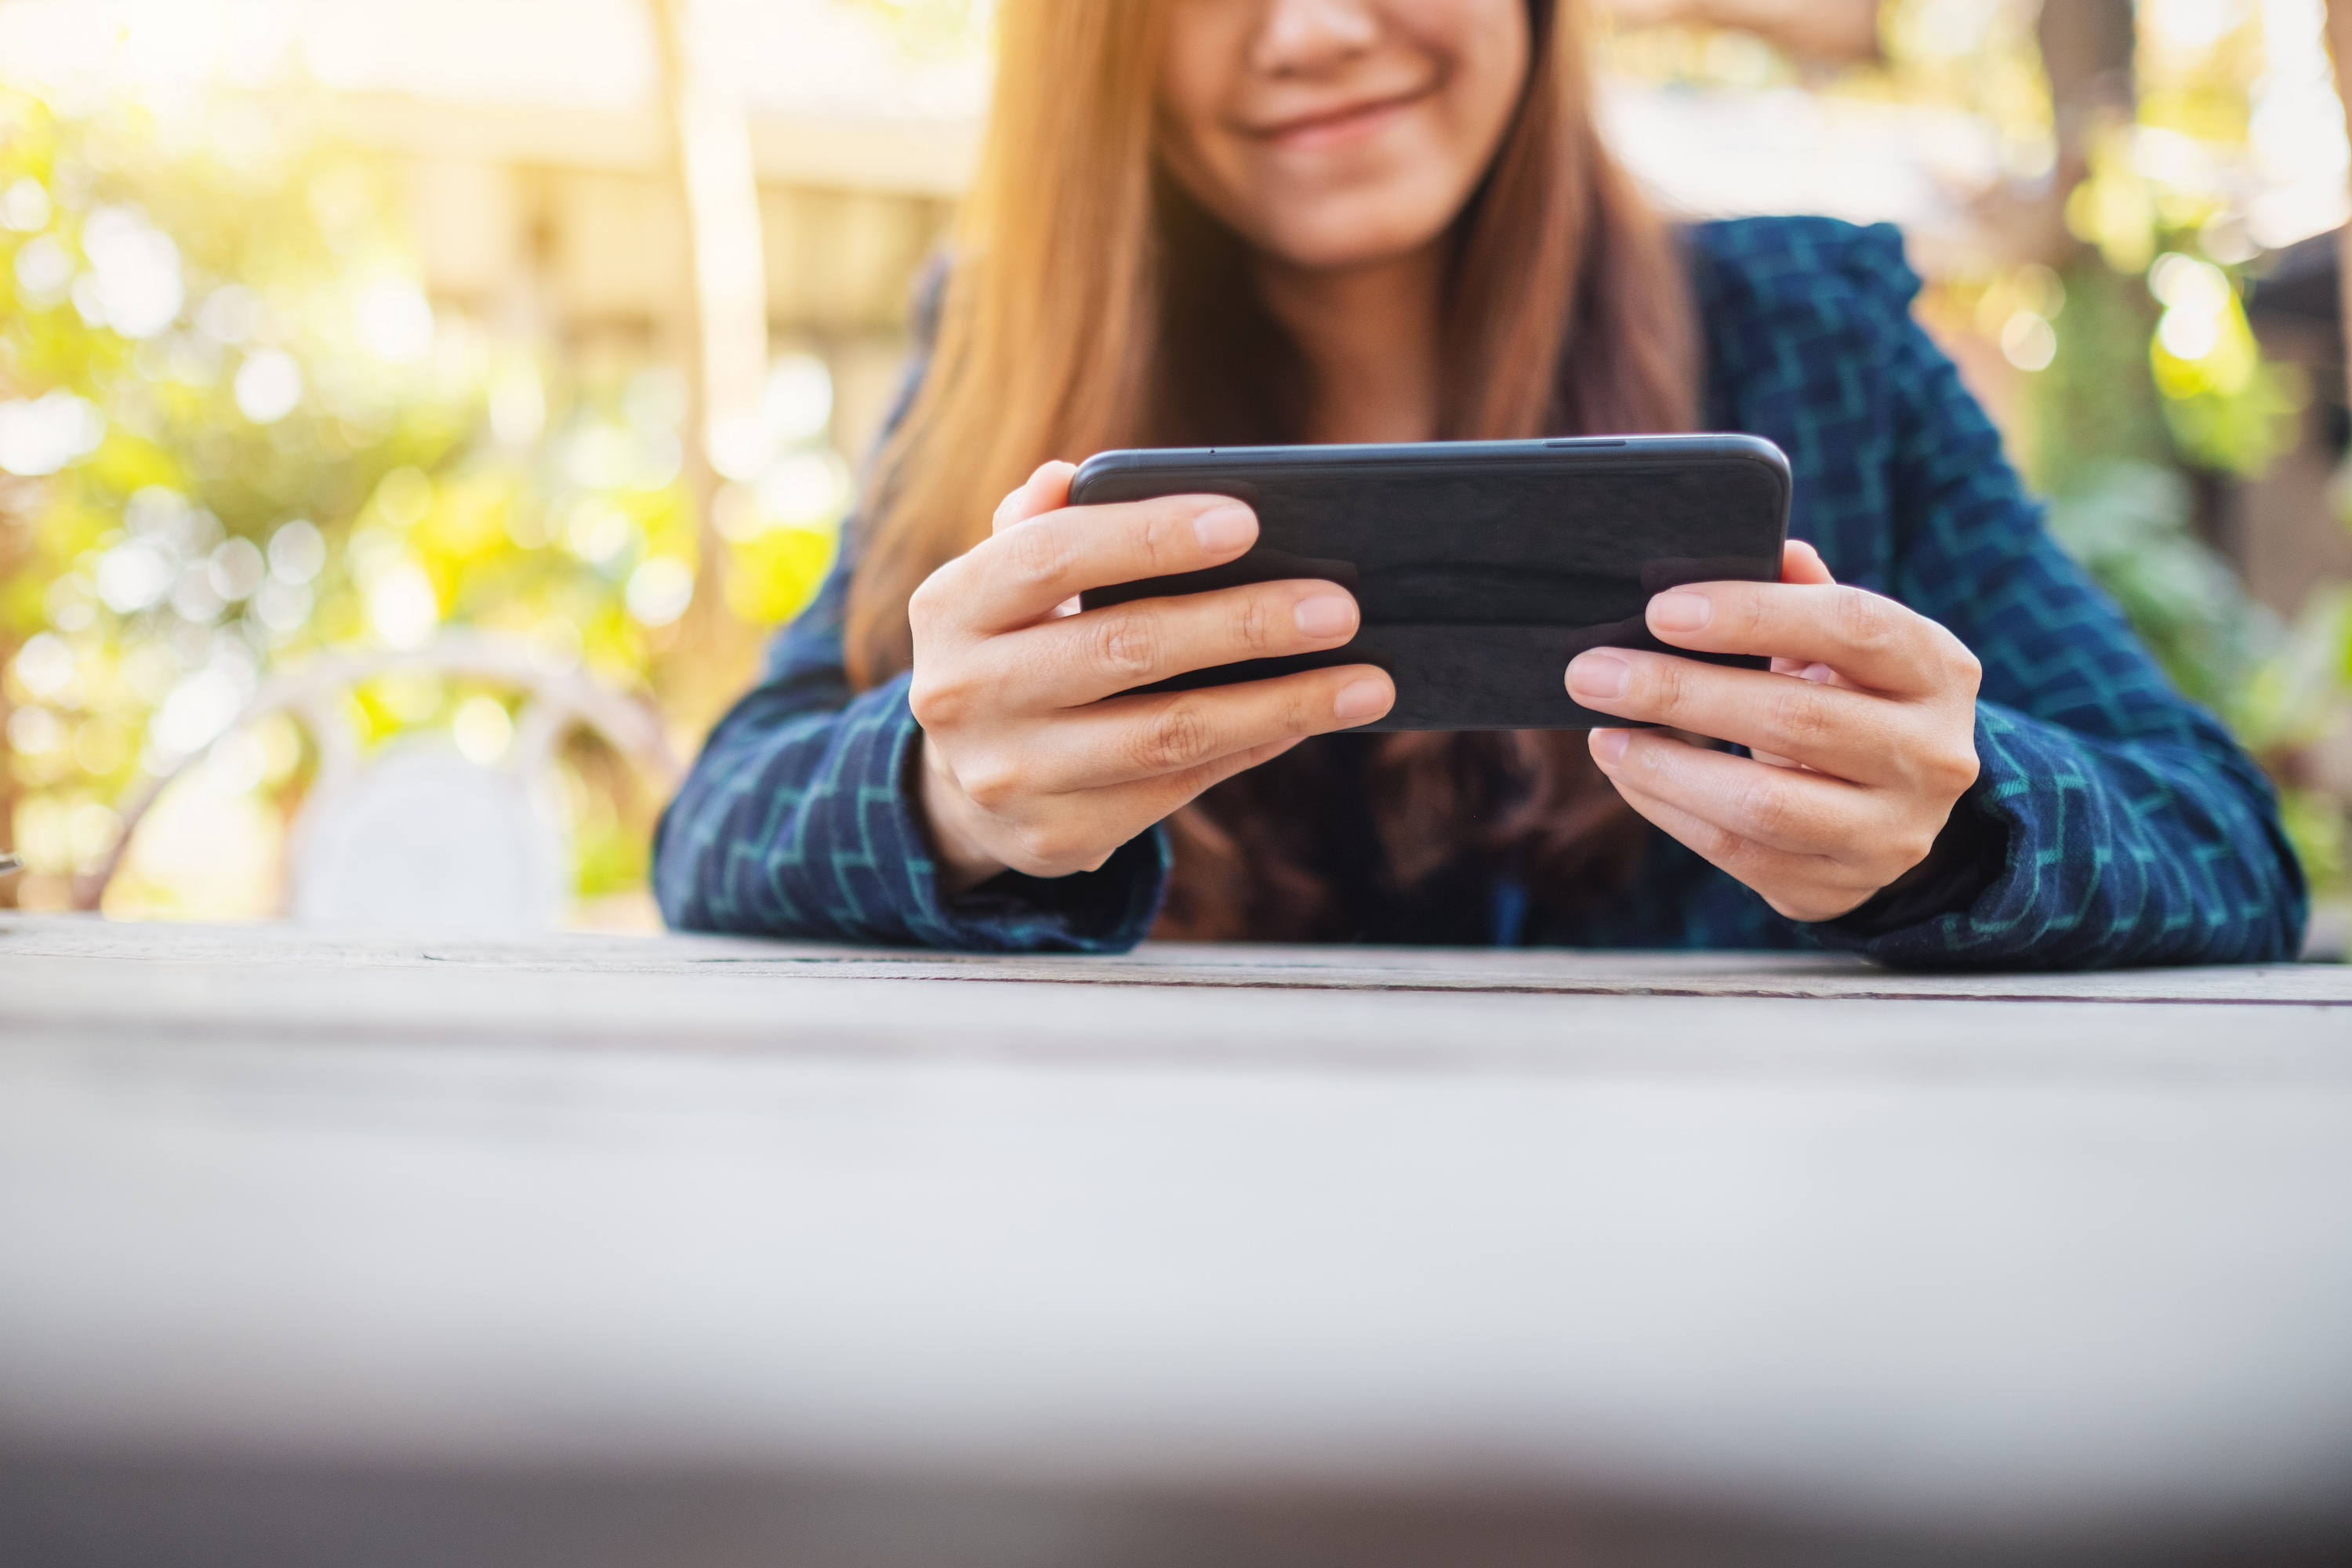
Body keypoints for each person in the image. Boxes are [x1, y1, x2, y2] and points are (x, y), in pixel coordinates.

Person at [655, 0, 2306, 967]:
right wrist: (948, 798)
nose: (1313, 32)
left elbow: (2225, 842)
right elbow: (718, 822)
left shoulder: (1819, 343)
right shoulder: (1004, 358)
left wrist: (1959, 825)